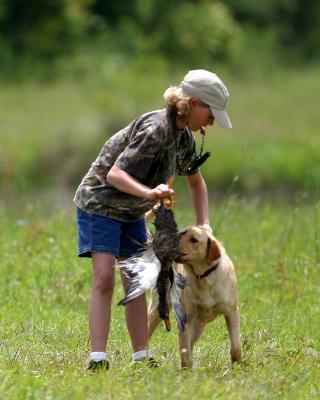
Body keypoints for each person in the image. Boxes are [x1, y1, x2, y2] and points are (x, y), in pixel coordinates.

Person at [74, 69, 232, 371]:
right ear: (194, 104)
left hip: (132, 209)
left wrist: (205, 225)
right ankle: (97, 358)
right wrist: (149, 192)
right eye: (211, 113)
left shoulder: (184, 140)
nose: (212, 122)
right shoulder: (156, 130)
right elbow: (114, 175)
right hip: (100, 203)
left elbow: (196, 183)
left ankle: (140, 356)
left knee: (137, 281)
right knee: (105, 278)